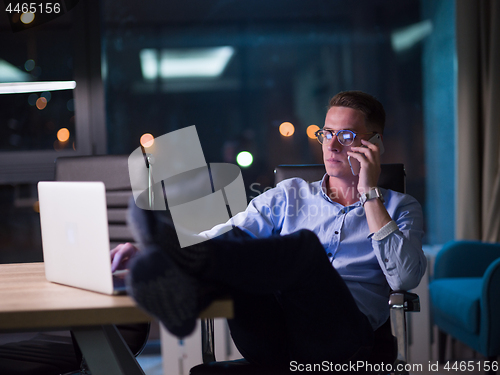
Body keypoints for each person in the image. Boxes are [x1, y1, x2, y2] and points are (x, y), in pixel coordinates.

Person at [111, 90, 427, 369]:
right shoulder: (289, 194)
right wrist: (154, 253)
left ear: (374, 144)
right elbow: (227, 235)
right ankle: (181, 274)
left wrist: (369, 191)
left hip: (341, 343)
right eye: (326, 133)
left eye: (345, 136)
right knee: (241, 249)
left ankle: (188, 285)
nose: (330, 145)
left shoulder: (401, 207)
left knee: (303, 248)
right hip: (271, 338)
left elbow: (403, 278)